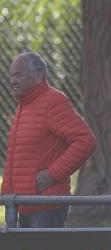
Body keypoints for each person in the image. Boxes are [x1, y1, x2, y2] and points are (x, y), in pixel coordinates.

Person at [2, 52, 96, 228]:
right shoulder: (24, 105)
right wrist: (7, 194)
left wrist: (53, 174)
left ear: (38, 76)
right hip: (20, 204)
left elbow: (85, 141)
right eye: (11, 76)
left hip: (46, 206)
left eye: (18, 75)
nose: (12, 81)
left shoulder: (53, 101)